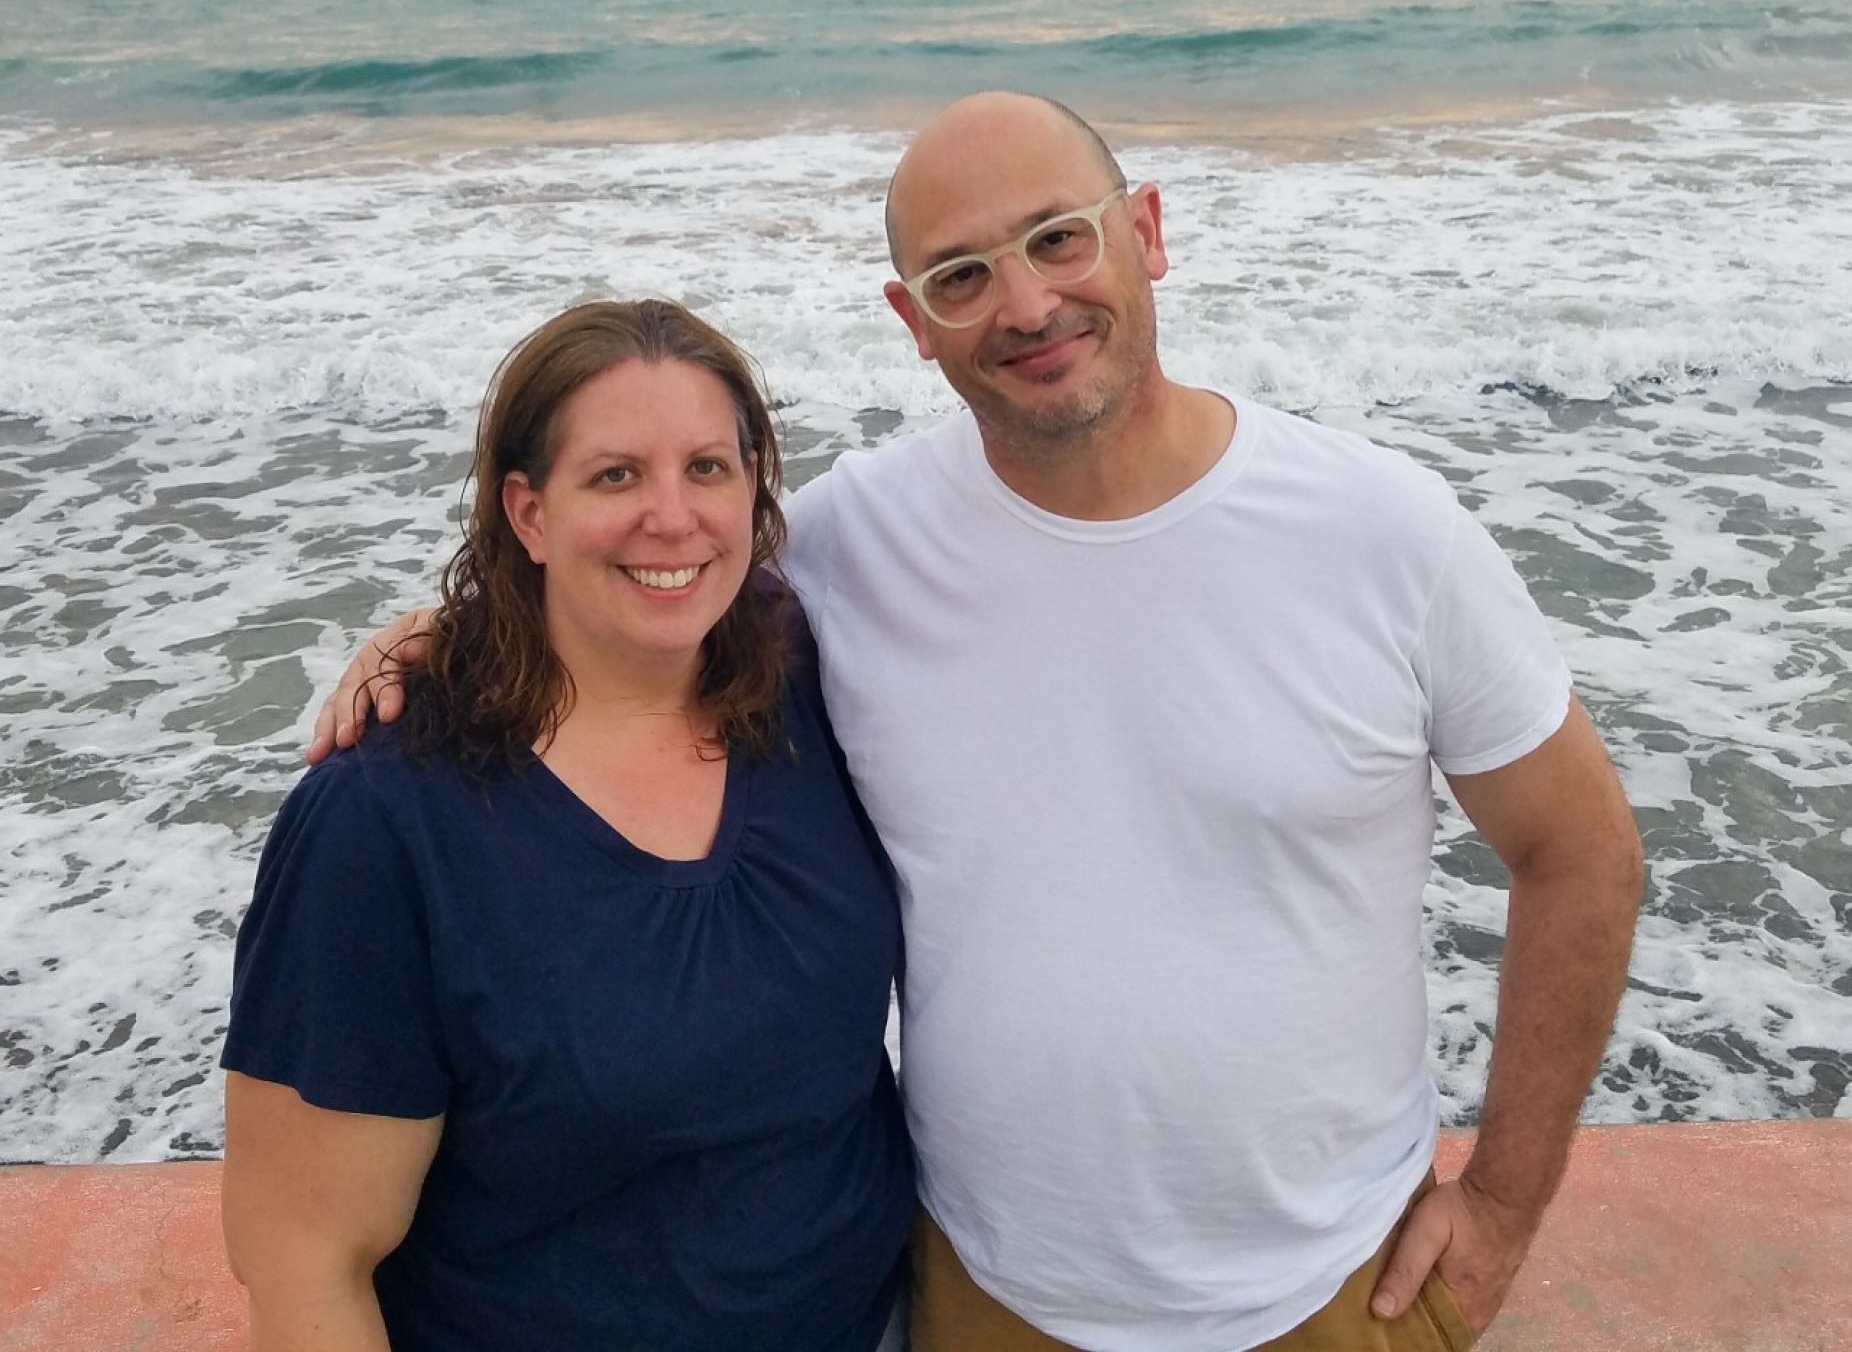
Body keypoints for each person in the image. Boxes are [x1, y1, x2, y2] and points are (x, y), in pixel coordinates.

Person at [313, 94, 1644, 1352]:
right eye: (962, 275)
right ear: (914, 319)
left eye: (1059, 237)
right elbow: (655, 584)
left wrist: (1508, 1205)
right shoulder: (849, 548)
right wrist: (449, 633)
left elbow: (1580, 852)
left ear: (1149, 234)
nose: (1026, 302)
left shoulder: (1384, 532)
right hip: (982, 1294)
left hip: (1337, 1282)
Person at [223, 299, 915, 1352]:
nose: (672, 518)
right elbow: (303, 1258)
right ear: (528, 512)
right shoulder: (384, 822)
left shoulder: (805, 684)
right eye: (614, 475)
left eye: (708, 468)